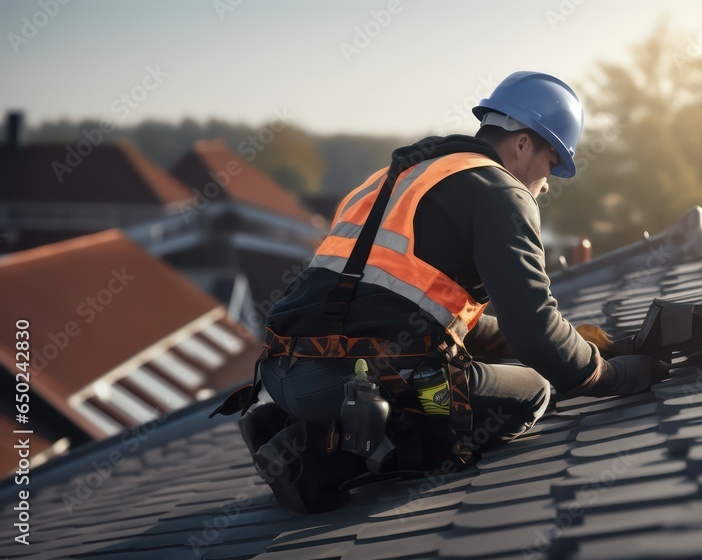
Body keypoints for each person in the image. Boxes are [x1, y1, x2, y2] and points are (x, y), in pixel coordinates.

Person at [231, 71, 665, 513]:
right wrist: (611, 376)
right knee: (533, 392)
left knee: (454, 364)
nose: (549, 182)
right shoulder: (500, 192)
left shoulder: (396, 178)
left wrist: (597, 345)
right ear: (522, 144)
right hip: (346, 386)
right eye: (552, 163)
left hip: (282, 372)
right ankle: (316, 459)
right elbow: (533, 333)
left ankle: (287, 423)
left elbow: (431, 317)